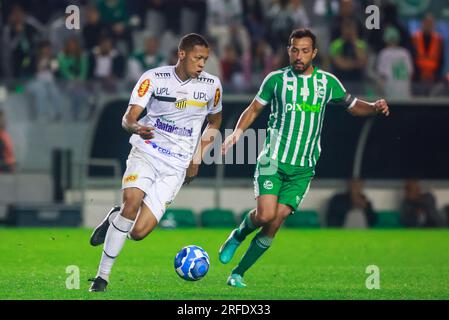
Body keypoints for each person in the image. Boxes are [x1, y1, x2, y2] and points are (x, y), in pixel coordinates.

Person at [219, 28, 389, 288]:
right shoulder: (275, 80)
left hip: (303, 168)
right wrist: (237, 133)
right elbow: (254, 109)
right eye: (295, 50)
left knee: (275, 222)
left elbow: (354, 106)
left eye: (305, 51)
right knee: (265, 215)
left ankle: (238, 273)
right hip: (273, 160)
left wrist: (374, 108)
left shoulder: (327, 83)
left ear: (314, 53)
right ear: (289, 50)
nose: (299, 56)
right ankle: (237, 235)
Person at [88, 33, 223, 292]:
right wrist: (137, 128)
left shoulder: (211, 85)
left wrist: (197, 158)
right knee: (132, 204)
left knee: (138, 232)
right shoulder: (154, 78)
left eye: (205, 59)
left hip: (176, 166)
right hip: (147, 152)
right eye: (197, 58)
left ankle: (113, 218)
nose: (202, 64)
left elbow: (215, 122)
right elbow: (128, 118)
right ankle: (101, 277)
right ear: (181, 54)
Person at [376, 26, 414, 99]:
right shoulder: (405, 53)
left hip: (390, 94)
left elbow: (382, 77)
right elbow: (410, 73)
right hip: (405, 94)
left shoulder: (384, 53)